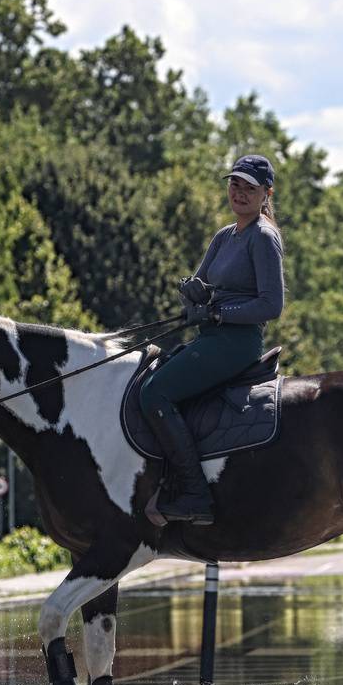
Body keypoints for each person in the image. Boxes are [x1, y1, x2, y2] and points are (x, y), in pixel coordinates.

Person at [140, 153, 286, 524]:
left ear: (266, 193)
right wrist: (194, 294)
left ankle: (193, 492)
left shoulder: (263, 237)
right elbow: (205, 284)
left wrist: (220, 312)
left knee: (155, 392)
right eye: (234, 183)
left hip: (236, 344)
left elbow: (272, 304)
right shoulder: (225, 235)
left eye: (248, 187)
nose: (238, 192)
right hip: (211, 338)